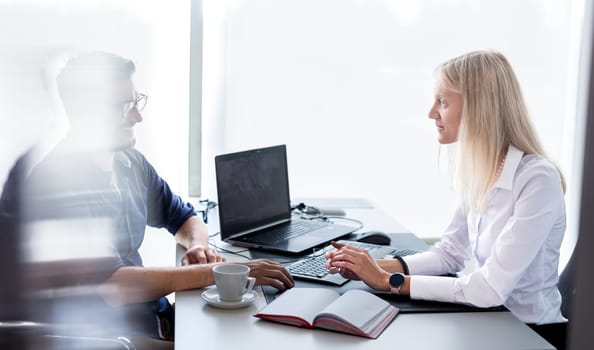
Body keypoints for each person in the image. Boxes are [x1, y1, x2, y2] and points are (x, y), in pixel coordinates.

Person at [0, 51, 294, 348]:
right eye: (124, 107)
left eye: (137, 102)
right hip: (108, 337)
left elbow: (184, 217)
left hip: (151, 319)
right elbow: (114, 284)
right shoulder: (59, 182)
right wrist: (218, 273)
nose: (137, 117)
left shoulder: (129, 162)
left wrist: (198, 246)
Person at [325, 50, 567, 349]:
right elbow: (450, 254)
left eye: (443, 102)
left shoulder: (537, 180)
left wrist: (389, 282)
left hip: (528, 333)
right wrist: (375, 266)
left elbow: (489, 289)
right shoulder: (482, 170)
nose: (431, 113)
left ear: (480, 108)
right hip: (488, 320)